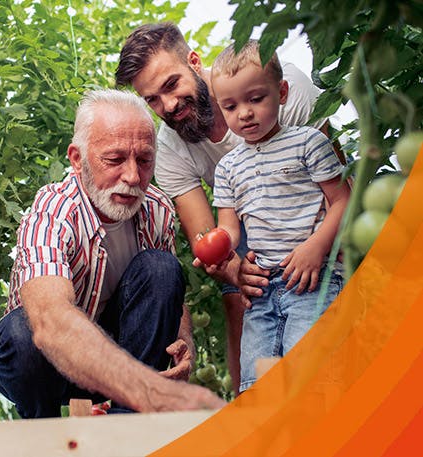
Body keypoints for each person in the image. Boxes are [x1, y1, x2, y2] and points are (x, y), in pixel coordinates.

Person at [114, 22, 343, 395]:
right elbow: (208, 235)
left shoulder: (281, 88)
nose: (168, 106)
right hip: (241, 212)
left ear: (194, 61)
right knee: (243, 298)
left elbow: (338, 183)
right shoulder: (170, 146)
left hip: (306, 202)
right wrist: (234, 269)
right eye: (152, 99)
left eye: (171, 85)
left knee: (325, 294)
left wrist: (318, 248)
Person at [0, 89, 225, 418]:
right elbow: (51, 320)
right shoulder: (53, 212)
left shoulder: (157, 210)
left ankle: (128, 425)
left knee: (162, 268)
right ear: (77, 159)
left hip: (117, 366)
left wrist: (184, 341)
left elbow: (167, 295)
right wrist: (146, 386)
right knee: (23, 333)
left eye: (144, 160)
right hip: (42, 368)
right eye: (114, 159)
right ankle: (45, 434)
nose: (133, 177)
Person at [206, 40, 351, 392]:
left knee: (309, 374)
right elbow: (229, 227)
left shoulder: (308, 143)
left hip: (311, 279)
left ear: (282, 92)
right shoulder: (227, 167)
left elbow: (343, 201)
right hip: (261, 290)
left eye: (256, 99)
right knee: (258, 380)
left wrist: (316, 247)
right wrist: (215, 248)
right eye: (230, 106)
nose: (244, 113)